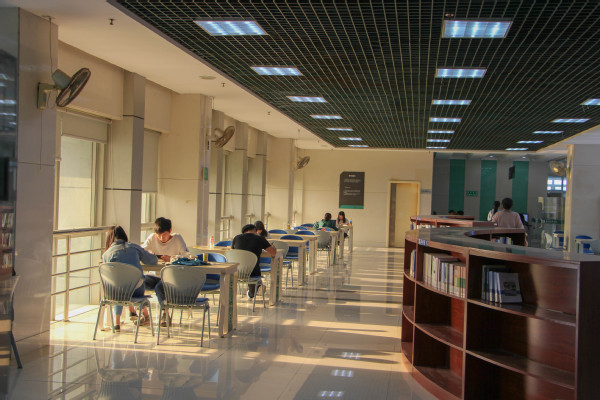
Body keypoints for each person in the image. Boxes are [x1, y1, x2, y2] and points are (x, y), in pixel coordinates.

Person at [102, 225, 158, 332]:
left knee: (119, 285)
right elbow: (152, 261)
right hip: (136, 291)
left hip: (115, 293)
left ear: (109, 239)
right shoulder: (133, 247)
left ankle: (117, 322)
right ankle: (143, 314)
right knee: (137, 281)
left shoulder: (106, 254)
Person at [231, 224, 276, 298]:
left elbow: (233, 251)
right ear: (255, 230)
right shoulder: (259, 238)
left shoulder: (236, 238)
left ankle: (257, 287)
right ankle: (254, 290)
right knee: (252, 270)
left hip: (237, 272)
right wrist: (272, 246)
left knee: (247, 264)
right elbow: (273, 252)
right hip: (253, 273)